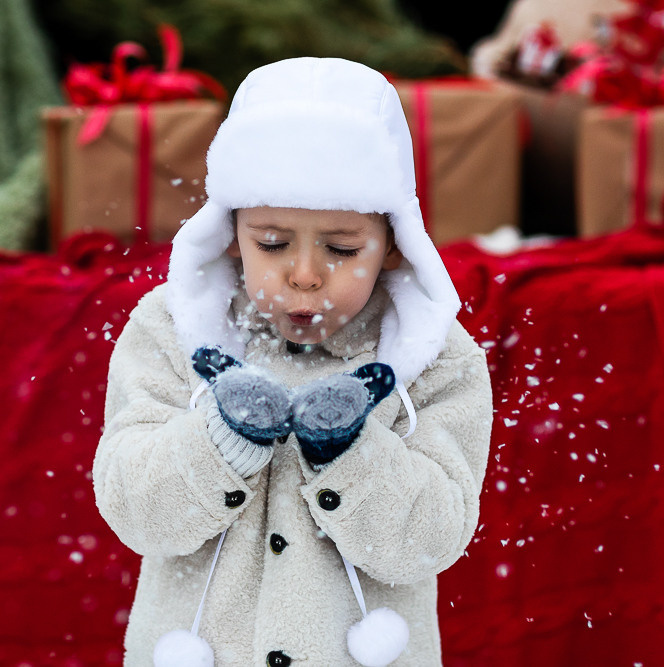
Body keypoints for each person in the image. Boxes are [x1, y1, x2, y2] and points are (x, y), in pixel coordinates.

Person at [93, 57, 493, 666]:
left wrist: (350, 451)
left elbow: (429, 541)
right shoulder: (170, 331)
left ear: (392, 243)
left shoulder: (438, 360)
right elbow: (137, 513)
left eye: (341, 247)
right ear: (229, 232)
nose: (304, 275)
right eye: (272, 243)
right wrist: (221, 441)